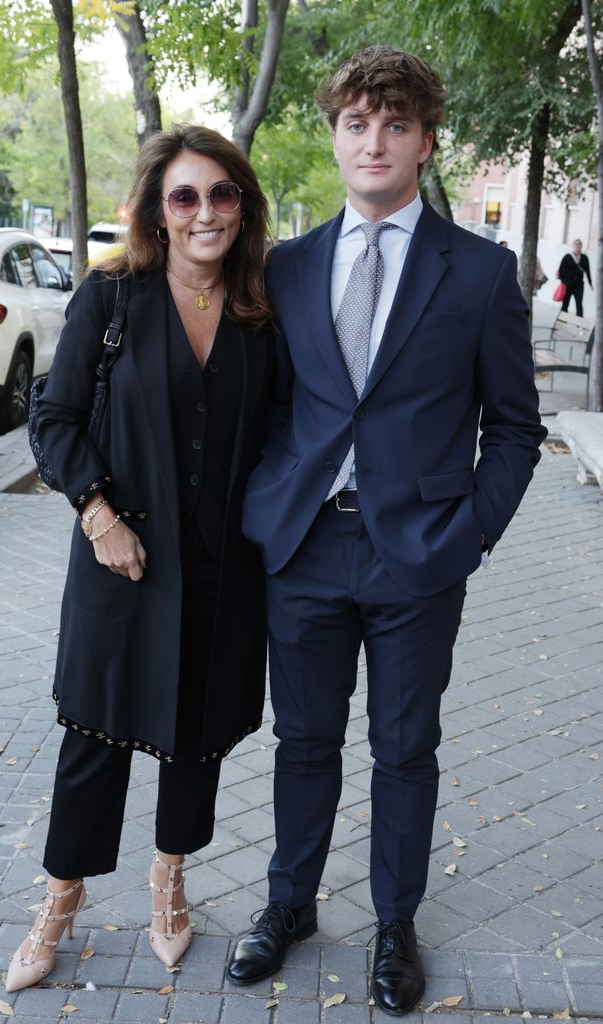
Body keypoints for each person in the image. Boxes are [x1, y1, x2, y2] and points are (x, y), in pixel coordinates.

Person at [233, 47, 547, 1015]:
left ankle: (395, 922)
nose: (374, 141)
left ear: (424, 141)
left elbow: (515, 424)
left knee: (405, 746)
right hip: (305, 550)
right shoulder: (285, 266)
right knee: (303, 741)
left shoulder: (482, 271)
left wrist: (471, 534)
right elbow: (262, 405)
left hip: (419, 553)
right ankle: (289, 904)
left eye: (395, 124)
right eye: (356, 122)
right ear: (333, 137)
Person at [5, 125, 273, 992]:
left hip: (223, 570)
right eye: (184, 196)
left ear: (242, 205)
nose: (204, 212)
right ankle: (58, 901)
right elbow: (53, 418)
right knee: (94, 736)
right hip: (120, 564)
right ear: (159, 210)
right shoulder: (112, 297)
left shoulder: (259, 310)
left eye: (221, 193)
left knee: (194, 739)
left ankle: (169, 884)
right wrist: (96, 512)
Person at [558, 239, 592, 317]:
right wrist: (563, 282)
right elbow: (560, 270)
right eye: (576, 244)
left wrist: (591, 283)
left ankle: (579, 323)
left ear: (581, 246)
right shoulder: (567, 257)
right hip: (568, 285)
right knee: (565, 303)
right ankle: (562, 321)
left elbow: (588, 271)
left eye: (579, 244)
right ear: (573, 246)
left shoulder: (584, 258)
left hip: (579, 285)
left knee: (579, 304)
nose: (577, 246)